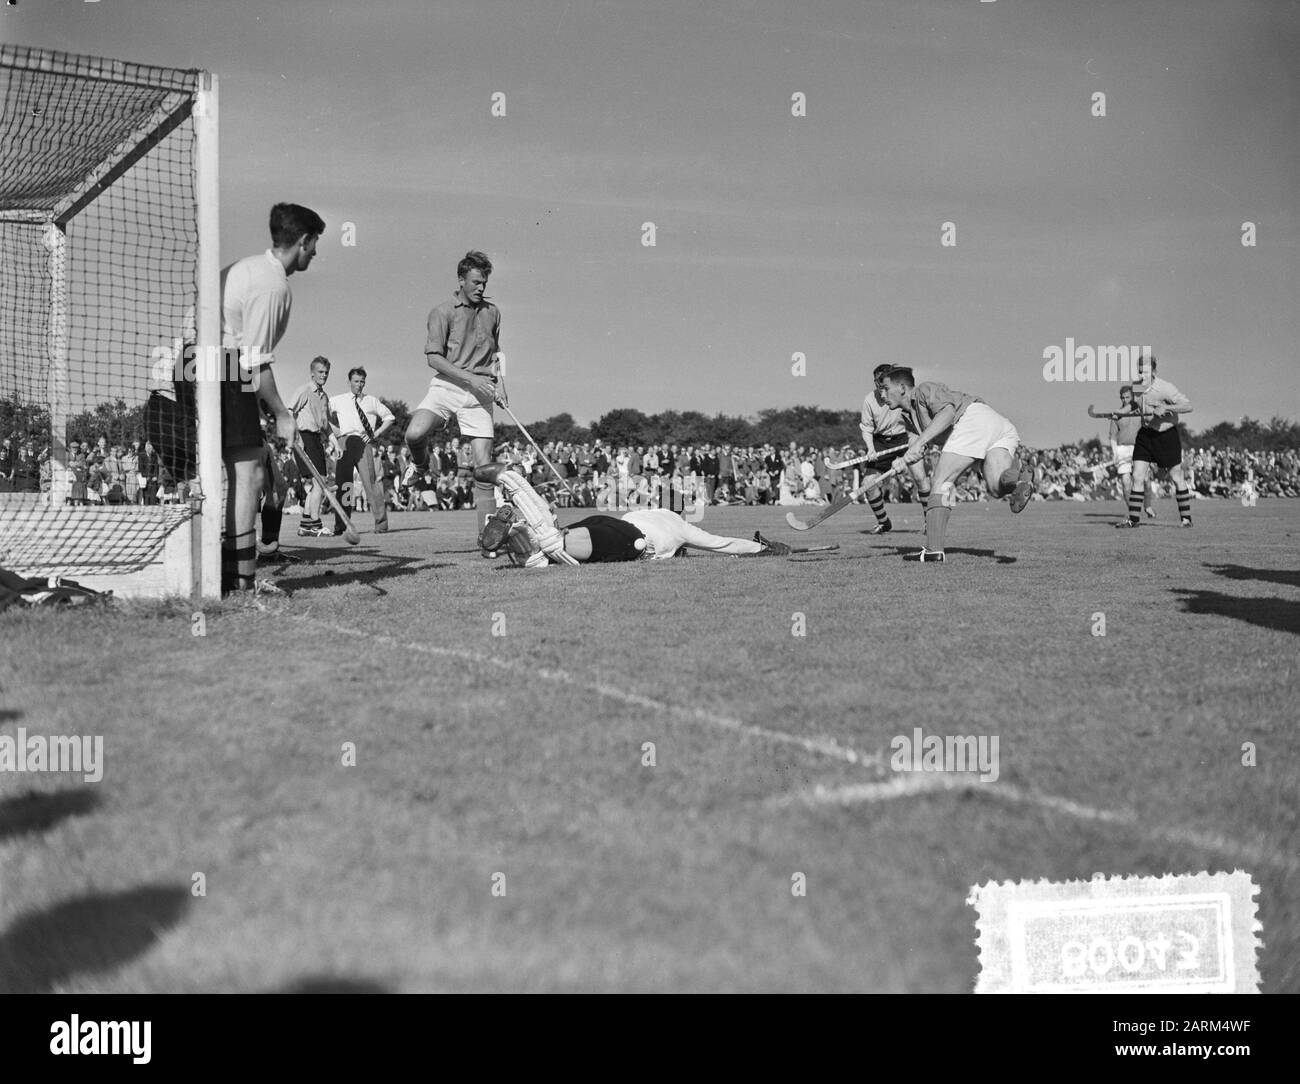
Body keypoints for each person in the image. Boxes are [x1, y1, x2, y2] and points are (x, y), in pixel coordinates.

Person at [219, 202, 323, 592]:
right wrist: (282, 413)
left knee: (249, 472)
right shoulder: (272, 283)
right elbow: (254, 360)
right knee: (247, 475)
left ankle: (232, 574)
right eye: (315, 245)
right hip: (224, 366)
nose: (315, 253)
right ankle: (239, 582)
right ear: (303, 240)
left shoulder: (246, 267)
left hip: (202, 364)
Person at [477, 467, 792, 565]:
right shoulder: (682, 528)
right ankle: (523, 518)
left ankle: (518, 532)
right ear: (682, 511)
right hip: (634, 541)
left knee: (553, 544)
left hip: (609, 523)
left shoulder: (649, 510)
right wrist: (761, 549)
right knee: (553, 543)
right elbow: (722, 544)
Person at [404, 250, 506, 542]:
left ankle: (488, 539)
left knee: (484, 468)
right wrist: (469, 377)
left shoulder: (493, 312)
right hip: (448, 385)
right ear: (461, 280)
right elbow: (433, 358)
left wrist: (502, 387)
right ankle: (420, 466)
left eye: (484, 282)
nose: (481, 288)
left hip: (481, 392)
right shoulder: (442, 311)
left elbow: (497, 354)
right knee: (414, 434)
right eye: (475, 282)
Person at [882, 366, 1033, 562]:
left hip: (972, 418)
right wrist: (901, 462)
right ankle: (1019, 479)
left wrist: (919, 443)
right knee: (997, 487)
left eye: (885, 388)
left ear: (902, 388)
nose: (882, 394)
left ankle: (933, 550)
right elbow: (915, 448)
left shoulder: (923, 390)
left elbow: (947, 413)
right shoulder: (907, 417)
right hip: (997, 425)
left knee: (941, 482)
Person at [1115, 354, 1194, 529]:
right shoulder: (1136, 387)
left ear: (1154, 371)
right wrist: (1120, 412)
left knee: (1176, 477)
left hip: (1166, 436)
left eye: (1145, 371)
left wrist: (1166, 407)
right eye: (1140, 371)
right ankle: (1133, 520)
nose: (1142, 374)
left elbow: (1188, 405)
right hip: (1145, 435)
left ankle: (1186, 519)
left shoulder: (1165, 388)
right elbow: (1135, 405)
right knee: (1137, 476)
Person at [859, 362, 931, 533]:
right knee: (868, 483)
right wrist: (870, 449)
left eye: (882, 383)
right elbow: (867, 428)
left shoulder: (904, 395)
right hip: (881, 440)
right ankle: (884, 522)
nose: (879, 387)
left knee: (920, 477)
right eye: (876, 382)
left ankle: (930, 521)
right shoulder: (870, 399)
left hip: (906, 436)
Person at [329, 367, 394, 535]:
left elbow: (389, 417)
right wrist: (335, 431)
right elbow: (322, 415)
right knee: (345, 485)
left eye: (362, 382)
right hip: (344, 441)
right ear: (349, 381)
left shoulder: (371, 400)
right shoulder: (338, 400)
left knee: (370, 483)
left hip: (363, 442)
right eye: (356, 381)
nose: (359, 385)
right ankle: (341, 525)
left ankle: (381, 524)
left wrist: (375, 434)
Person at [289, 355, 333, 536]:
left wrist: (334, 442)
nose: (324, 375)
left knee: (318, 484)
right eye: (320, 372)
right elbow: (289, 410)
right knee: (320, 482)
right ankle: (315, 524)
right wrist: (296, 436)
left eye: (326, 372)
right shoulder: (304, 390)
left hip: (316, 439)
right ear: (312, 373)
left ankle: (306, 525)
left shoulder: (324, 396)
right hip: (304, 437)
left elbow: (326, 424)